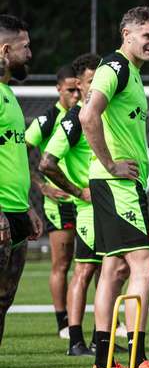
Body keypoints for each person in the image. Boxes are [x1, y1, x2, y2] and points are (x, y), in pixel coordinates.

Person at [79, 6, 149, 368]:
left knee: (114, 269)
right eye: (146, 36)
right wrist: (111, 164)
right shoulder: (115, 67)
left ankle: (104, 362)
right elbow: (89, 116)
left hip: (121, 185)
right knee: (146, 267)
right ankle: (136, 360)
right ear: (126, 34)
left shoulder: (131, 72)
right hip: (116, 183)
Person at [40, 53, 113, 356]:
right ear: (80, 86)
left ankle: (100, 338)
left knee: (109, 271)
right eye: (91, 82)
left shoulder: (105, 114)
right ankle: (75, 341)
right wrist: (77, 191)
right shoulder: (73, 119)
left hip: (108, 204)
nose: (96, 87)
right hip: (87, 209)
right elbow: (47, 163)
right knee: (83, 271)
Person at [0, 13, 42, 368]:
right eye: (25, 46)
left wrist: (26, 206)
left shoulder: (8, 95)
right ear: (5, 50)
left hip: (15, 212)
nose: (30, 52)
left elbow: (11, 158)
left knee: (3, 303)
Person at [25, 65, 79, 339]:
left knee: (95, 263)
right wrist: (42, 186)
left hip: (87, 199)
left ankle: (90, 321)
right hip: (61, 204)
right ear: (59, 89)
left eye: (79, 89)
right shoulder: (48, 119)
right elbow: (21, 154)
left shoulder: (86, 114)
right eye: (70, 90)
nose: (76, 95)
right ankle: (63, 323)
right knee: (62, 263)